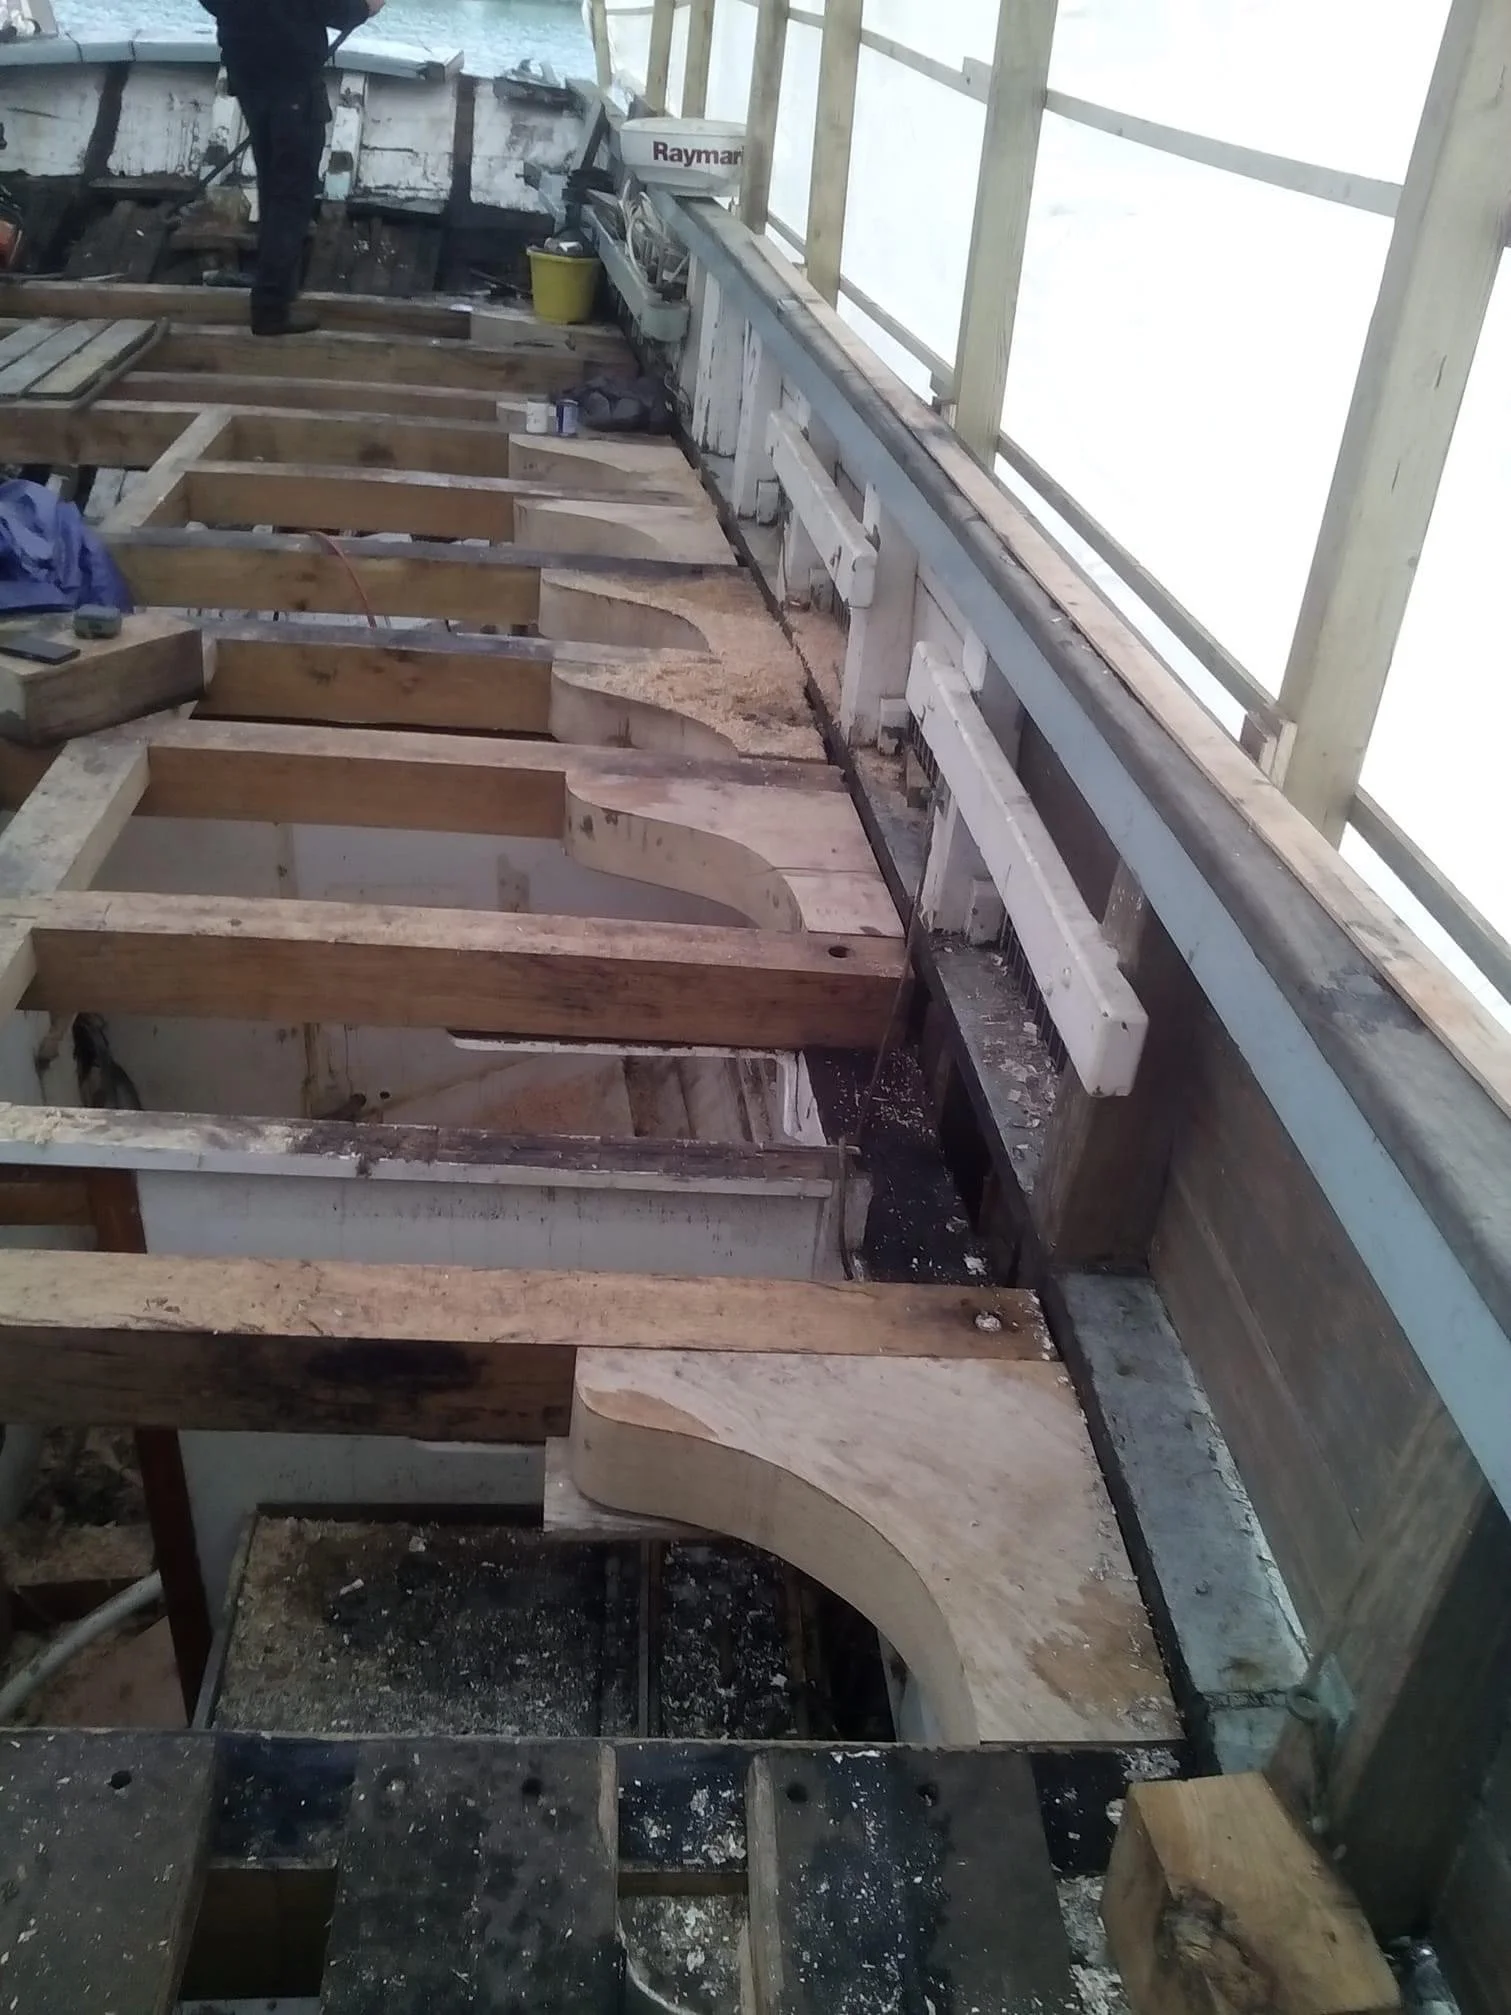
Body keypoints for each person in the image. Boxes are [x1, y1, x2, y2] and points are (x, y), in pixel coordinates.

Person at [198, 0, 385, 336]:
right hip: (291, 80)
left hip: (248, 74)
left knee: (274, 184)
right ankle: (271, 308)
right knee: (291, 196)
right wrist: (366, 7)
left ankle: (278, 294)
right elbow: (333, 9)